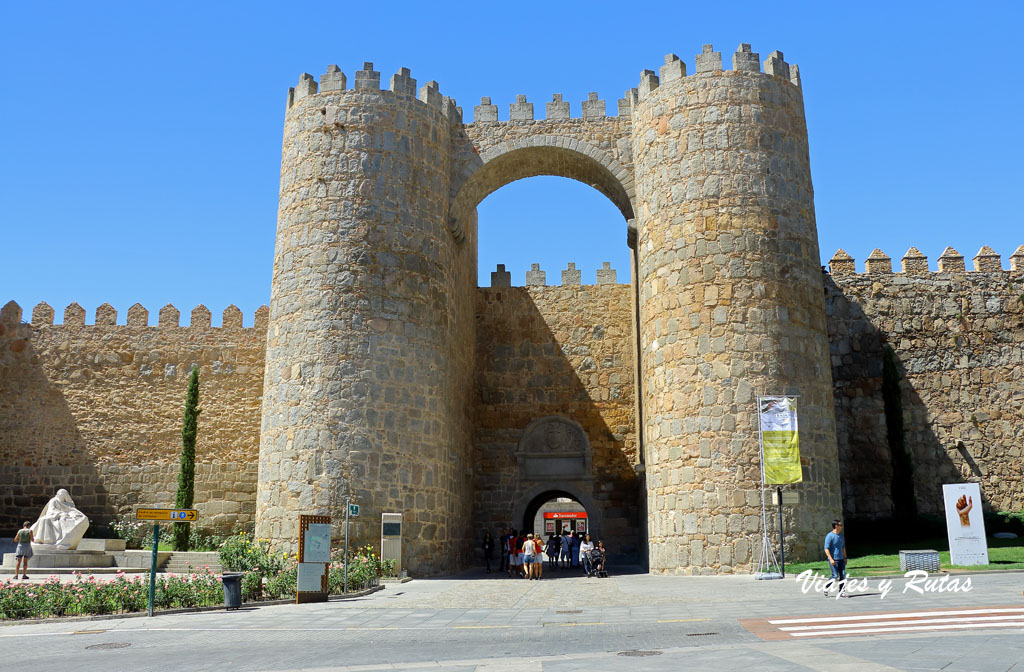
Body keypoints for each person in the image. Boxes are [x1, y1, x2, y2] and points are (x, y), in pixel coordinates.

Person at [823, 519, 847, 597]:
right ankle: (826, 587)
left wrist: (845, 557)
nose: (841, 527)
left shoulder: (840, 536)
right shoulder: (830, 536)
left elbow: (843, 547)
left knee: (843, 575)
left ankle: (842, 591)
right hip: (834, 559)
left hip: (841, 559)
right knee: (835, 576)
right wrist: (831, 559)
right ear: (836, 526)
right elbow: (826, 548)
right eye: (840, 525)